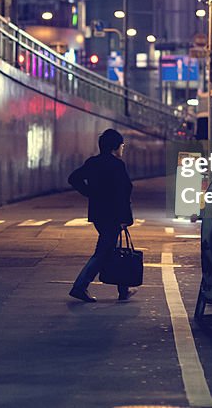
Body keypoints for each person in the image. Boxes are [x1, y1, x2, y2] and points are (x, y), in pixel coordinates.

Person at [67, 128, 134, 302]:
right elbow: (123, 193)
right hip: (113, 216)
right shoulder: (117, 165)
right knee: (102, 252)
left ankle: (123, 289)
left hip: (98, 214)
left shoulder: (93, 162)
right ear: (115, 147)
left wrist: (90, 193)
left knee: (111, 249)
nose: (122, 149)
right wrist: (124, 219)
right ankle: (80, 286)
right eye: (121, 146)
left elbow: (73, 178)